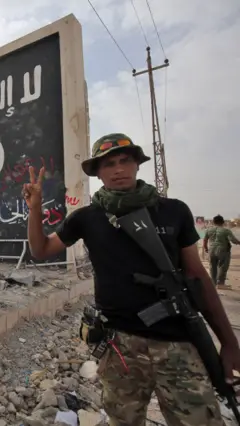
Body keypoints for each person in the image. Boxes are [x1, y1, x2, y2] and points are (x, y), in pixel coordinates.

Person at [23, 133, 240, 426]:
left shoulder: (174, 211)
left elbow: (197, 276)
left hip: (177, 344)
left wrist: (228, 341)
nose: (118, 169)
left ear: (137, 164)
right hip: (119, 346)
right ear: (98, 173)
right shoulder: (87, 217)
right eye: (109, 163)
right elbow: (41, 249)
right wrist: (35, 208)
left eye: (125, 160)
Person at [204, 214, 240, 288]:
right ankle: (220, 283)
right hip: (222, 250)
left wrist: (206, 248)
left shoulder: (208, 230)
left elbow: (205, 240)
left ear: (213, 222)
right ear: (223, 222)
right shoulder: (226, 230)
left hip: (211, 250)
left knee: (212, 267)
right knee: (223, 266)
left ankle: (213, 283)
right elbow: (233, 240)